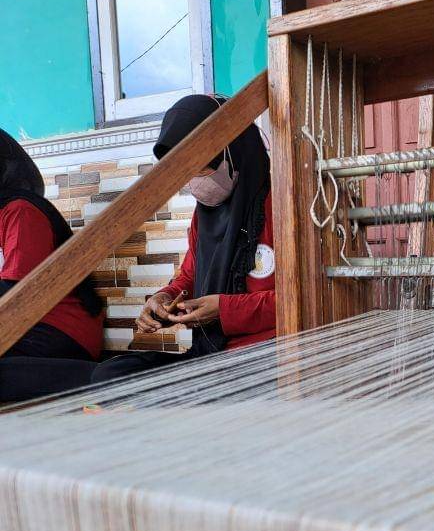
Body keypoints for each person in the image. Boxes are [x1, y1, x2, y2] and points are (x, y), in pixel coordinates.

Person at [91, 95, 274, 383]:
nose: (191, 181)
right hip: (209, 354)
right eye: (183, 171)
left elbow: (300, 298)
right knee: (111, 374)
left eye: (199, 166)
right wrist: (163, 300)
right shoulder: (205, 217)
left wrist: (225, 310)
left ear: (233, 154)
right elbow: (189, 278)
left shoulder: (280, 209)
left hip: (265, 357)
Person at [0, 129, 103, 402]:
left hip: (59, 331)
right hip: (21, 329)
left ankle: (101, 377)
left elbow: (18, 291)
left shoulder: (20, 210)